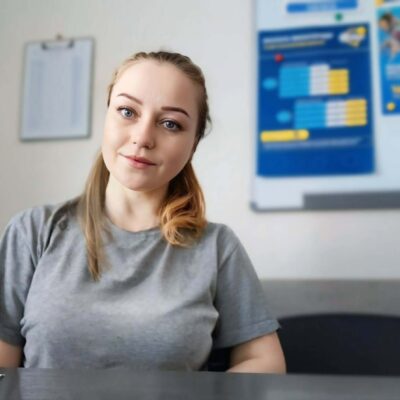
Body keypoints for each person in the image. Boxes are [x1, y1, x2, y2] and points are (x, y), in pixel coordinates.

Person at [0, 51, 286, 373]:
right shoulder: (32, 232)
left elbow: (266, 361)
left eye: (170, 124)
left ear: (193, 144)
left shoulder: (217, 247)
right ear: (107, 116)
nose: (143, 137)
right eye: (127, 112)